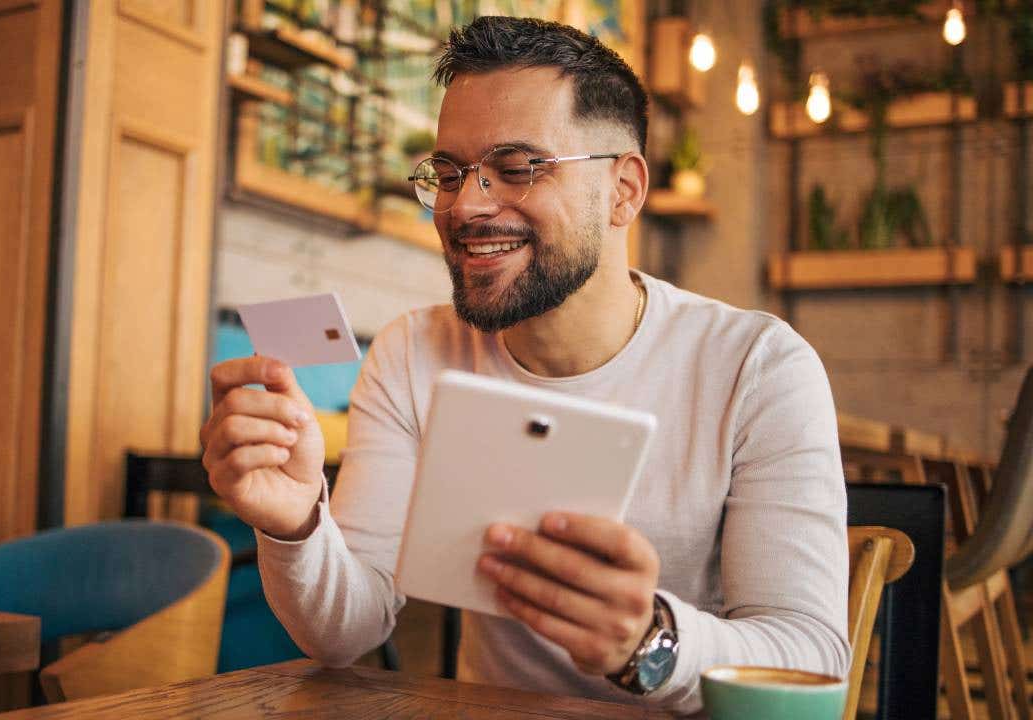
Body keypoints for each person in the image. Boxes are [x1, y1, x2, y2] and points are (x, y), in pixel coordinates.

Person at [199, 15, 849, 715]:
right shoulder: (414, 352)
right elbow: (346, 633)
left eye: (516, 168)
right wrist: (295, 524)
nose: (465, 205)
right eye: (448, 174)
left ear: (624, 190)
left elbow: (809, 652)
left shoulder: (758, 367)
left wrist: (650, 643)